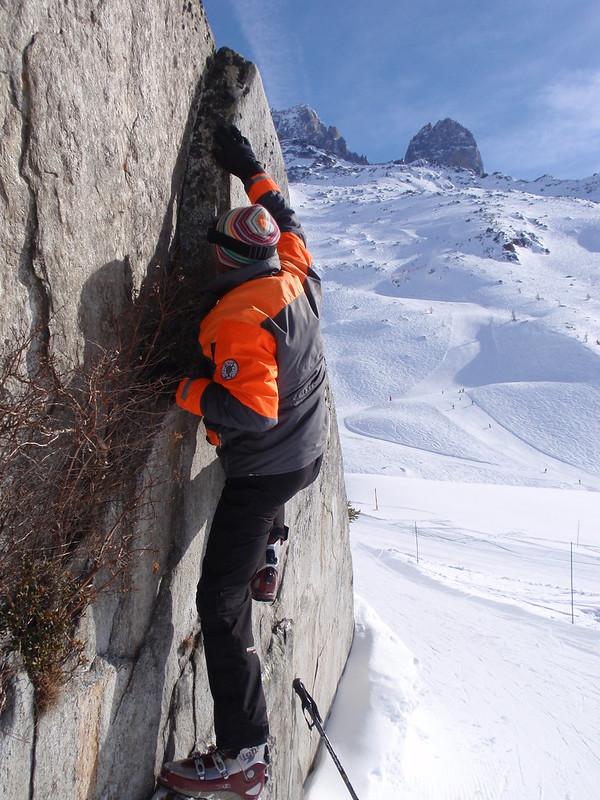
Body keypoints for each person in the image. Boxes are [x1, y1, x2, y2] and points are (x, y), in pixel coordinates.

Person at [158, 124, 329, 800]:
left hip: (266, 470)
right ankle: (271, 551)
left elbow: (250, 412)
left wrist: (184, 388)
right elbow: (286, 217)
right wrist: (249, 168)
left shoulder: (237, 320)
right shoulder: (292, 266)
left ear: (229, 260)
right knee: (250, 546)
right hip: (304, 445)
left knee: (217, 601)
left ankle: (244, 754)